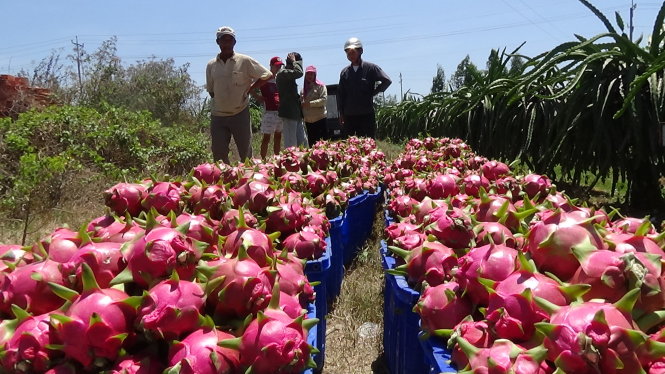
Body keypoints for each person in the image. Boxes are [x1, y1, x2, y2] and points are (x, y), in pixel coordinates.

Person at [205, 26, 272, 164]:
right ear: (217, 42)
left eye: (230, 40)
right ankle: (224, 182)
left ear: (234, 42)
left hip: (239, 112)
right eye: (223, 40)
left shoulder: (245, 61)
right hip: (218, 116)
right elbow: (211, 91)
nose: (227, 43)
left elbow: (267, 75)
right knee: (218, 155)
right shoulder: (211, 65)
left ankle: (248, 182)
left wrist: (251, 88)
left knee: (246, 154)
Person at [337, 37, 392, 139]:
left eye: (353, 53)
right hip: (349, 115)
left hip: (366, 114)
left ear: (360, 51)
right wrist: (341, 113)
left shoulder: (371, 68)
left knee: (368, 144)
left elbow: (387, 81)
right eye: (348, 54)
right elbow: (341, 94)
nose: (350, 56)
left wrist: (374, 92)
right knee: (350, 146)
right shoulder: (345, 72)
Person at [253, 56, 284, 159]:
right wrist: (257, 97)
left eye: (280, 66)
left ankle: (277, 157)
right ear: (271, 66)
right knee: (267, 137)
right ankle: (263, 160)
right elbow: (251, 87)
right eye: (276, 66)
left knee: (278, 136)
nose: (278, 68)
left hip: (280, 111)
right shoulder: (265, 77)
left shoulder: (280, 79)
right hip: (269, 111)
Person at [276, 52, 308, 148]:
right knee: (291, 145)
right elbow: (299, 73)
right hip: (289, 113)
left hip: (296, 114)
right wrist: (295, 62)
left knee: (303, 144)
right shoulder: (282, 73)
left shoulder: (289, 75)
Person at [301, 65, 328, 146]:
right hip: (308, 121)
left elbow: (324, 100)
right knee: (312, 145)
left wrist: (310, 104)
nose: (310, 76)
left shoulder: (321, 86)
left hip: (320, 119)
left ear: (315, 75)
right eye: (308, 74)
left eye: (312, 74)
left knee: (323, 144)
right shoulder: (303, 89)